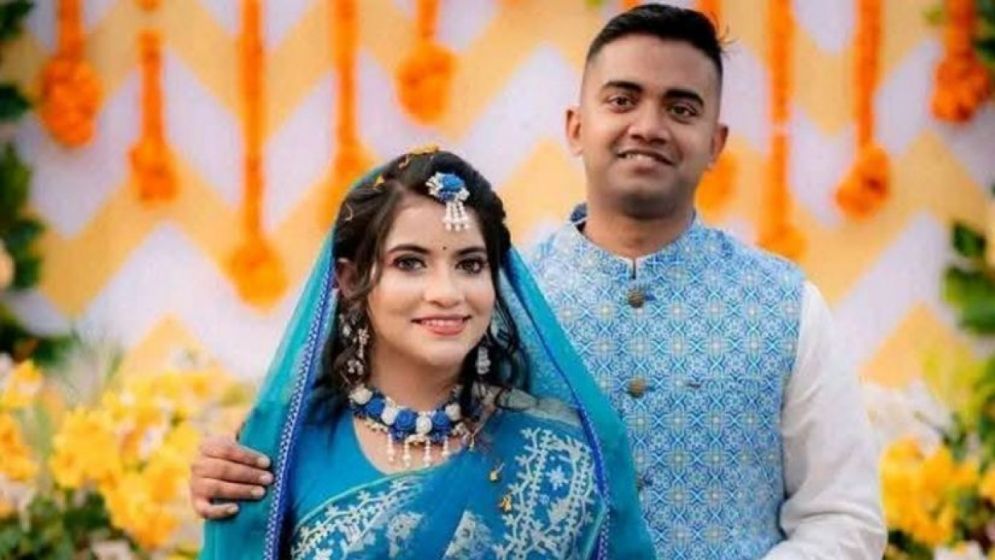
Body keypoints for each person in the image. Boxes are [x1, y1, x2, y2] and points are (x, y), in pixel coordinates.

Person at [192, 5, 886, 558]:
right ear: (576, 126)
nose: (648, 126)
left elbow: (843, 516)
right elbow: (372, 421)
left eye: (681, 108)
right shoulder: (490, 297)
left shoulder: (784, 305)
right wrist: (239, 473)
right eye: (623, 99)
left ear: (716, 142)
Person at [198, 149, 653, 559]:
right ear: (351, 279)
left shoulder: (567, 448)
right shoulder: (282, 447)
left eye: (470, 264)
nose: (446, 292)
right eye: (410, 263)